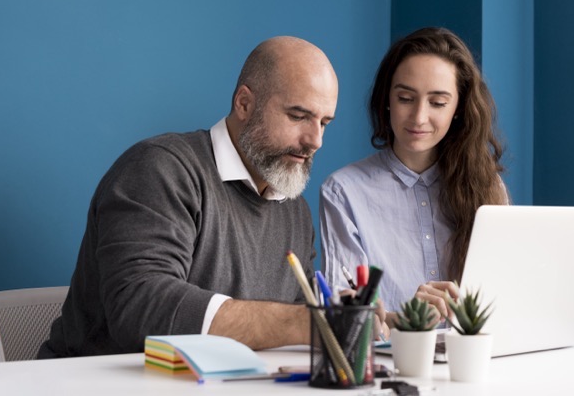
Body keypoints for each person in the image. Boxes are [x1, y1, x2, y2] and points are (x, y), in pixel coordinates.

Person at [39, 36, 386, 358]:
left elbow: (299, 314)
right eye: (298, 116)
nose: (315, 140)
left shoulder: (294, 209)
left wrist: (344, 313)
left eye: (324, 123)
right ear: (245, 103)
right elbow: (140, 308)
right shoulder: (160, 168)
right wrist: (306, 323)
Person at [319, 27, 510, 323]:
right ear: (387, 100)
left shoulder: (487, 186)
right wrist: (410, 319)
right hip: (393, 363)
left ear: (458, 109)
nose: (419, 117)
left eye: (437, 103)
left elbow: (505, 295)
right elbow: (346, 318)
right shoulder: (344, 192)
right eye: (406, 98)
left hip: (476, 358)